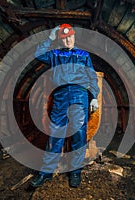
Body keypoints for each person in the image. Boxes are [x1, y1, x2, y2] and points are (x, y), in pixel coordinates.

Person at [31, 24, 100, 188]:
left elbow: (91, 76)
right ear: (60, 40)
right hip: (60, 95)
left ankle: (75, 172)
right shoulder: (54, 55)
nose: (68, 40)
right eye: (64, 38)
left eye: (70, 36)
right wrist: (50, 38)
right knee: (55, 134)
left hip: (79, 94)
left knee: (78, 134)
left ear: (74, 37)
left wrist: (94, 97)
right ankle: (46, 173)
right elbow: (38, 54)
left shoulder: (83, 55)